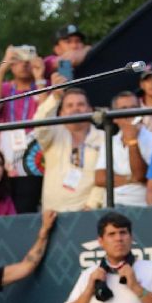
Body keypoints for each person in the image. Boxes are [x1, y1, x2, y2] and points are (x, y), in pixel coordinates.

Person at [0, 45, 47, 213]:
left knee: (27, 205)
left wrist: (40, 76)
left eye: (28, 60)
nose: (24, 64)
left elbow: (47, 111)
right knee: (0, 205)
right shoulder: (4, 87)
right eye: (18, 60)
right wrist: (0, 70)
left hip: (32, 157)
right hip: (4, 156)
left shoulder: (42, 85)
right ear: (11, 65)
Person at [34, 83, 105, 212]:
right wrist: (54, 97)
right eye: (69, 105)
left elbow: (107, 175)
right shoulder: (52, 133)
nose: (75, 109)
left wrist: (92, 205)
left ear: (91, 110)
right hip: (53, 213)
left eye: (81, 105)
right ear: (60, 113)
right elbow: (40, 126)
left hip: (90, 211)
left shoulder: (104, 138)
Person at [94, 91, 152, 207]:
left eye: (134, 108)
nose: (129, 113)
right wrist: (130, 179)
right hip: (112, 204)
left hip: (140, 205)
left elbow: (141, 176)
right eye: (124, 109)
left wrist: (132, 142)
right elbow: (100, 179)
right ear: (115, 118)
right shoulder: (109, 141)